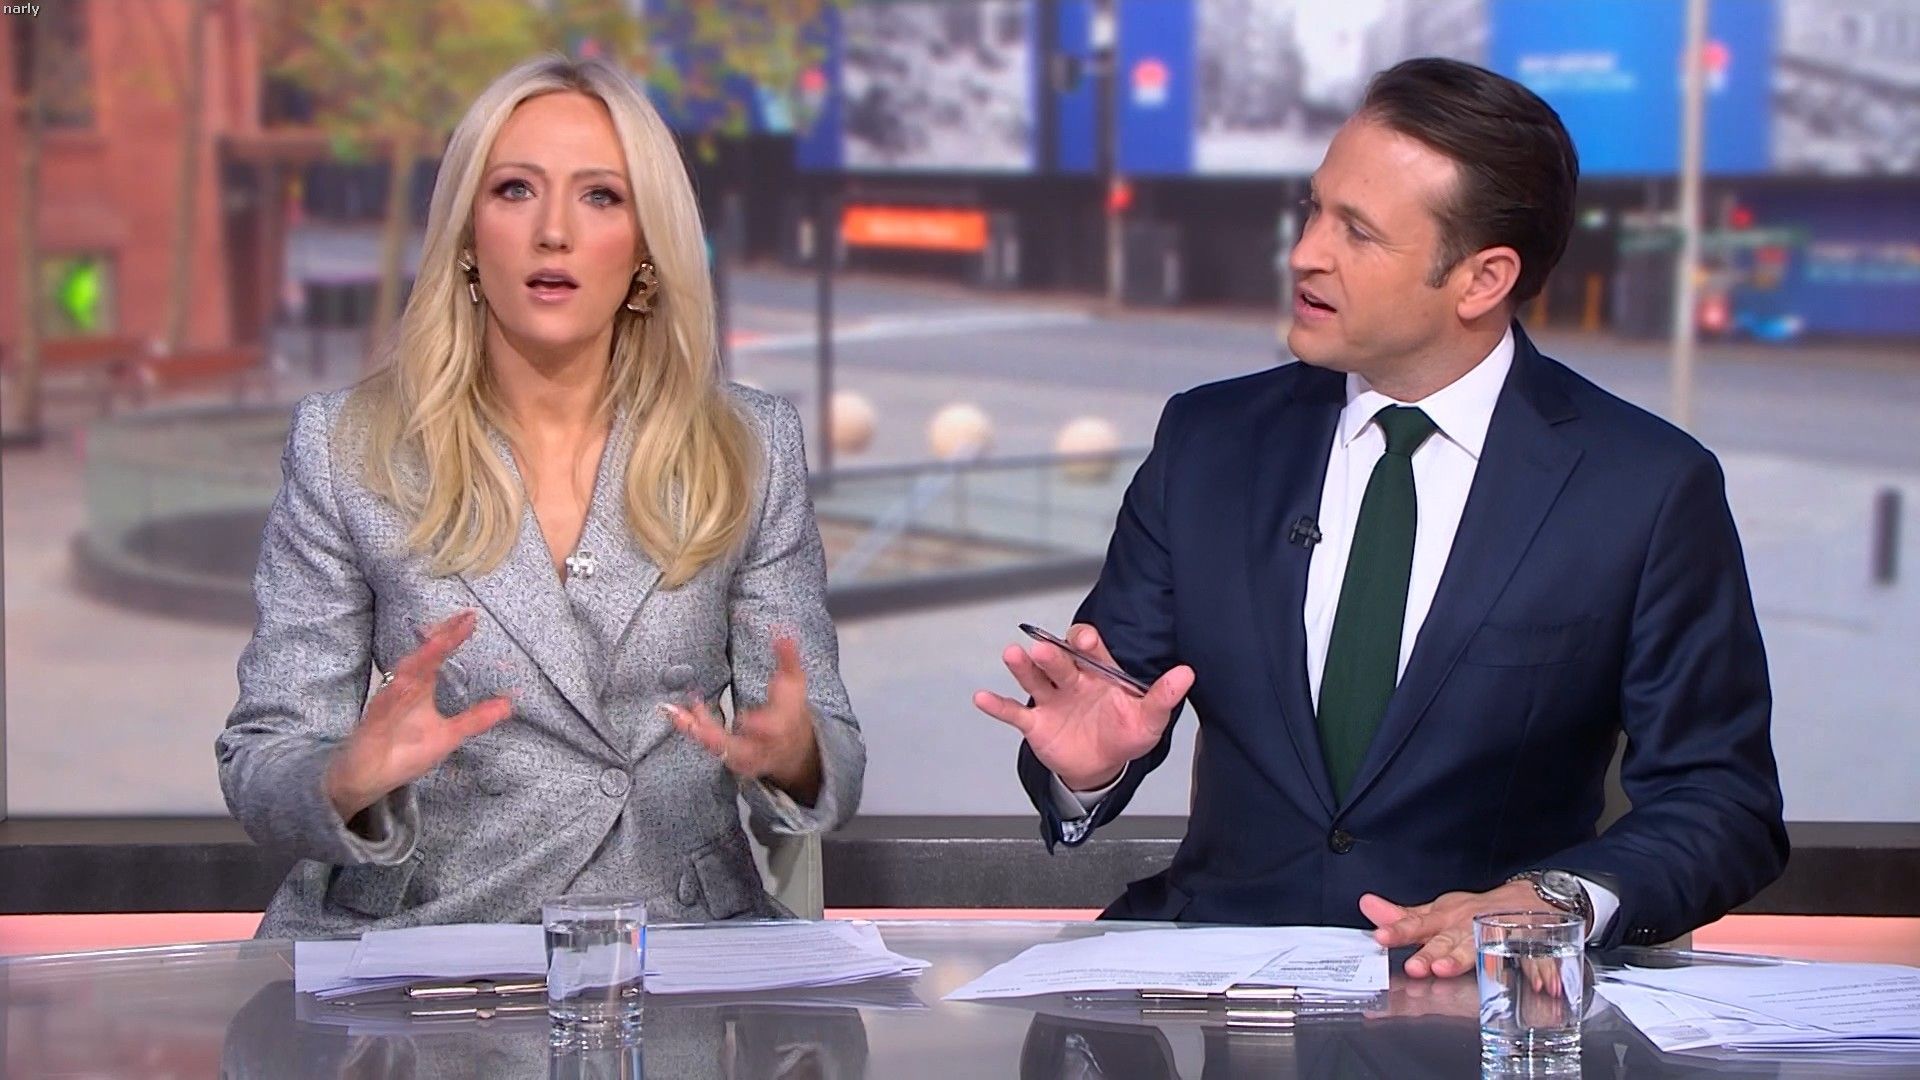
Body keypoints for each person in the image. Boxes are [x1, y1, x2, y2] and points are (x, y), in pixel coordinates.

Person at [974, 57, 1786, 977]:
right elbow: (1103, 698)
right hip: (1219, 985)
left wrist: (1554, 901)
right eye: (1314, 210)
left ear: (1481, 280)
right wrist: (1086, 770)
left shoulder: (1643, 486)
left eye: (1357, 231)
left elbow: (1723, 803)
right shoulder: (1209, 442)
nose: (1305, 253)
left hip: (1480, 1002)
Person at [217, 55, 863, 939]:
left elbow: (831, 752)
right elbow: (261, 759)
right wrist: (343, 779)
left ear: (646, 245)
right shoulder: (348, 447)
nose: (553, 232)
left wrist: (794, 756)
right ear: (468, 233)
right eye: (515, 189)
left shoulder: (748, 445)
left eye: (600, 196)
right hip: (425, 941)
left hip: (672, 940)